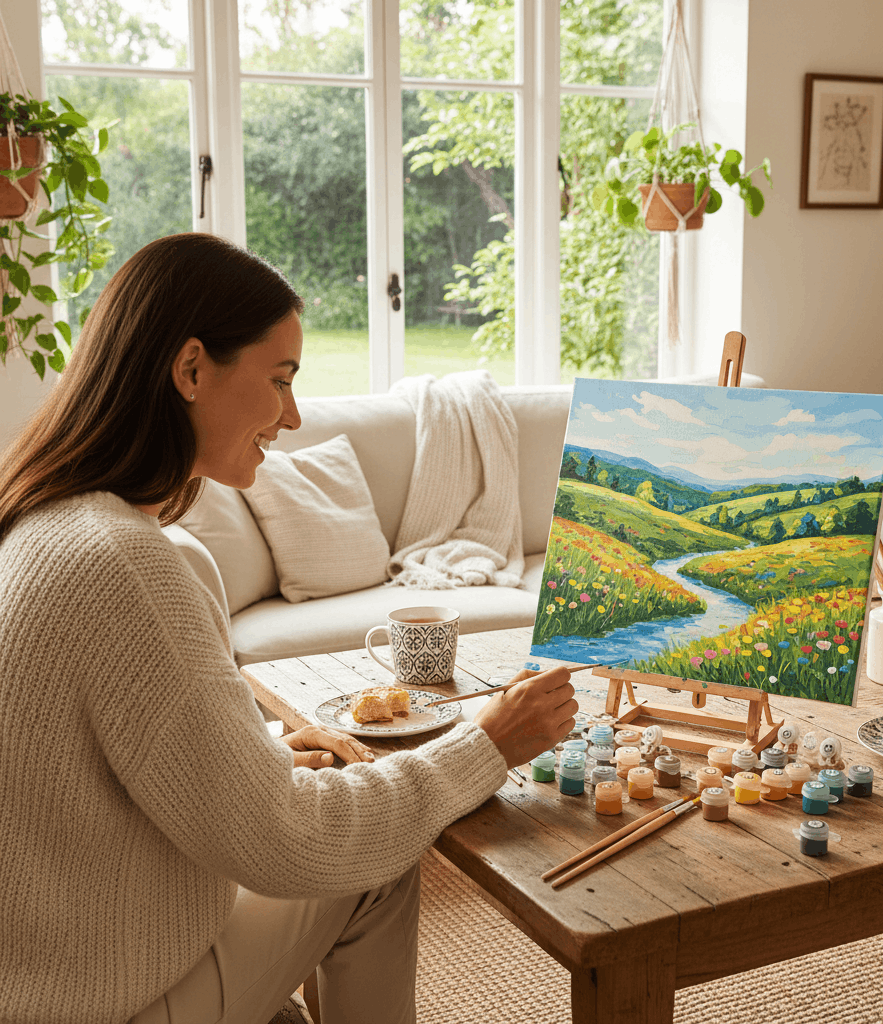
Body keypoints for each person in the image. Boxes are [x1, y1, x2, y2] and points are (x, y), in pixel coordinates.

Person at [0, 233, 578, 1024]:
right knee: (374, 862)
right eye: (279, 380)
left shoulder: (42, 521)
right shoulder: (123, 563)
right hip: (97, 1000)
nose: (294, 414)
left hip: (43, 971)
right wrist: (489, 743)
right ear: (191, 368)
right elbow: (290, 844)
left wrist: (261, 758)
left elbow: (88, 783)